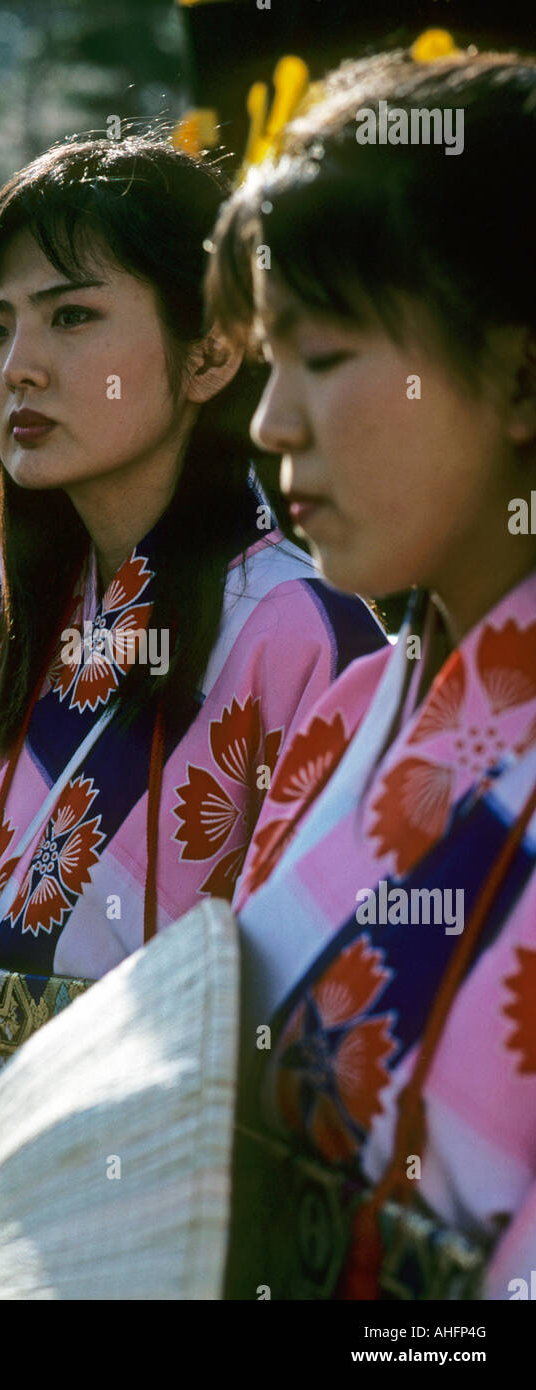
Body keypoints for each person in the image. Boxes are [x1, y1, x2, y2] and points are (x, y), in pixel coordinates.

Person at [0, 133, 386, 1268]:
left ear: (211, 352)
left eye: (70, 317)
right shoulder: (16, 645)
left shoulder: (302, 638)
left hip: (143, 1239)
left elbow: (291, 1035)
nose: (17, 366)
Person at [206, 50, 536, 1298]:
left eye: (325, 355)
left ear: (518, 368)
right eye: (267, 359)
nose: (268, 422)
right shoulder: (375, 702)